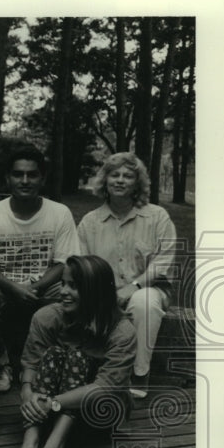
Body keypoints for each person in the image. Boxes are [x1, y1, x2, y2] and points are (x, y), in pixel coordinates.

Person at [2, 255, 136, 448]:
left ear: (95, 291)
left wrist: (54, 402)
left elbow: (105, 388)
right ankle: (30, 443)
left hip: (99, 415)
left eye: (74, 287)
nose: (64, 291)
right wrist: (27, 395)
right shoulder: (47, 317)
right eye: (63, 283)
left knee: (78, 357)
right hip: (45, 410)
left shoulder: (121, 331)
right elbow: (31, 363)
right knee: (54, 353)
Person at [0, 145, 80, 391]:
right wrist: (13, 287)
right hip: (3, 285)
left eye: (32, 175)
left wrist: (34, 287)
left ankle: (58, 362)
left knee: (73, 294)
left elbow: (64, 262)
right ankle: (2, 364)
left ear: (42, 179)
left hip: (47, 285)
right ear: (7, 178)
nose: (24, 180)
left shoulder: (59, 213)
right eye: (18, 174)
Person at [77, 152, 177, 398]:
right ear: (105, 180)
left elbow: (164, 260)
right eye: (114, 174)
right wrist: (105, 293)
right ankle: (96, 373)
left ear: (137, 183)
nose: (120, 180)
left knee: (143, 304)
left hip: (150, 289)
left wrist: (134, 285)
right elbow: (82, 265)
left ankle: (139, 375)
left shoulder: (157, 217)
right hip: (102, 291)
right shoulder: (90, 223)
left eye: (128, 176)